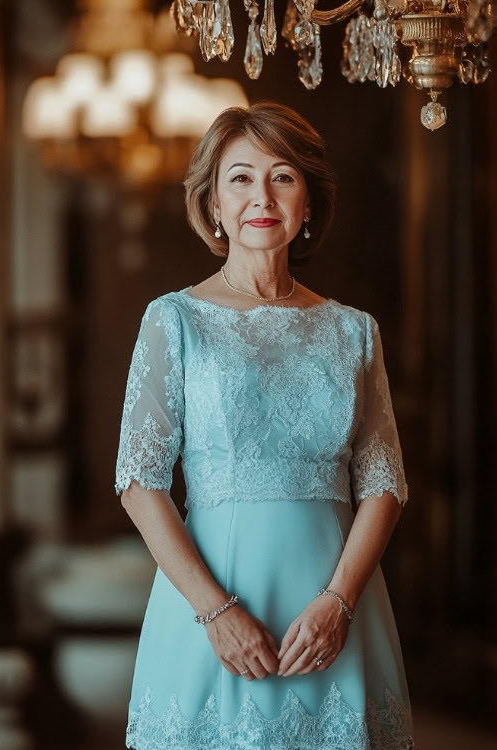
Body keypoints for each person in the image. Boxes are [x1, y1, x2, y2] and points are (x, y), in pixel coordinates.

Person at [115, 100, 415, 749]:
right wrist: (216, 614)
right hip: (209, 610)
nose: (263, 197)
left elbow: (385, 483)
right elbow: (139, 482)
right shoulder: (174, 321)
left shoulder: (353, 330)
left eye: (282, 176)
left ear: (307, 204)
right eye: (241, 178)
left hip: (335, 611)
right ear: (214, 205)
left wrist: (339, 603)